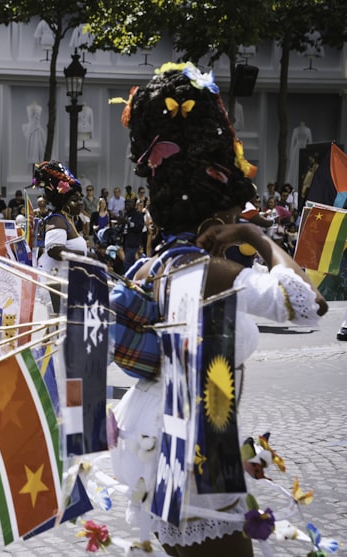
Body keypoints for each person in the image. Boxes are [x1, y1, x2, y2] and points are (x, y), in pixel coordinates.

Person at [110, 61, 327, 556]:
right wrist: (255, 236)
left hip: (154, 437)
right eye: (232, 217)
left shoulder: (149, 266)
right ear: (215, 219)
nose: (238, 224)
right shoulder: (211, 272)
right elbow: (309, 305)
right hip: (202, 447)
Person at [33, 160, 88, 315]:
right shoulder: (57, 219)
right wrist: (86, 256)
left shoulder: (69, 219)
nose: (80, 203)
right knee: (57, 328)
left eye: (80, 199)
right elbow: (54, 250)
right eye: (75, 200)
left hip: (65, 283)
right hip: (55, 283)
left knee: (60, 330)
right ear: (64, 202)